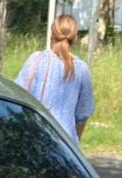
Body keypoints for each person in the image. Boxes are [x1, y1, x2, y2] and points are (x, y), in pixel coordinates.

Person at [15, 14, 95, 142]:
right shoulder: (82, 69)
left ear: (51, 34)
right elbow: (83, 115)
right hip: (64, 144)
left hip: (34, 137)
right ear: (75, 38)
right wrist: (73, 145)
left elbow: (17, 96)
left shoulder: (36, 60)